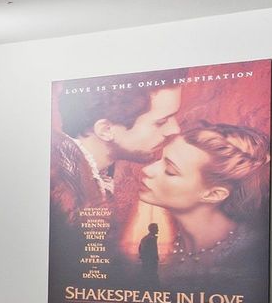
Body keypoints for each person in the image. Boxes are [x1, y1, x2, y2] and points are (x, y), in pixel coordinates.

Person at [134, 123, 271, 292]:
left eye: (169, 170)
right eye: (159, 159)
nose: (147, 170)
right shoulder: (176, 243)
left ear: (214, 194)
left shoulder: (246, 256)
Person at [50, 83, 183, 228]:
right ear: (106, 130)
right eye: (161, 122)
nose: (175, 129)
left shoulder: (89, 177)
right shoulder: (60, 191)